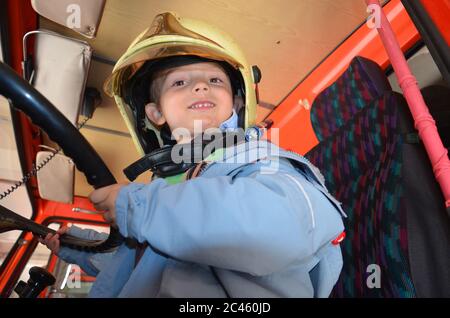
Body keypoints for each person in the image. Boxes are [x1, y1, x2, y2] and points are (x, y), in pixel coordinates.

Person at [38, 12, 346, 298]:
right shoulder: (168, 189)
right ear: (155, 112)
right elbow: (135, 266)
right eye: (179, 82)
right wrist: (73, 245)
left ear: (237, 103)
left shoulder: (262, 161)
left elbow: (275, 226)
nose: (200, 86)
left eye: (214, 80)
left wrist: (141, 209)